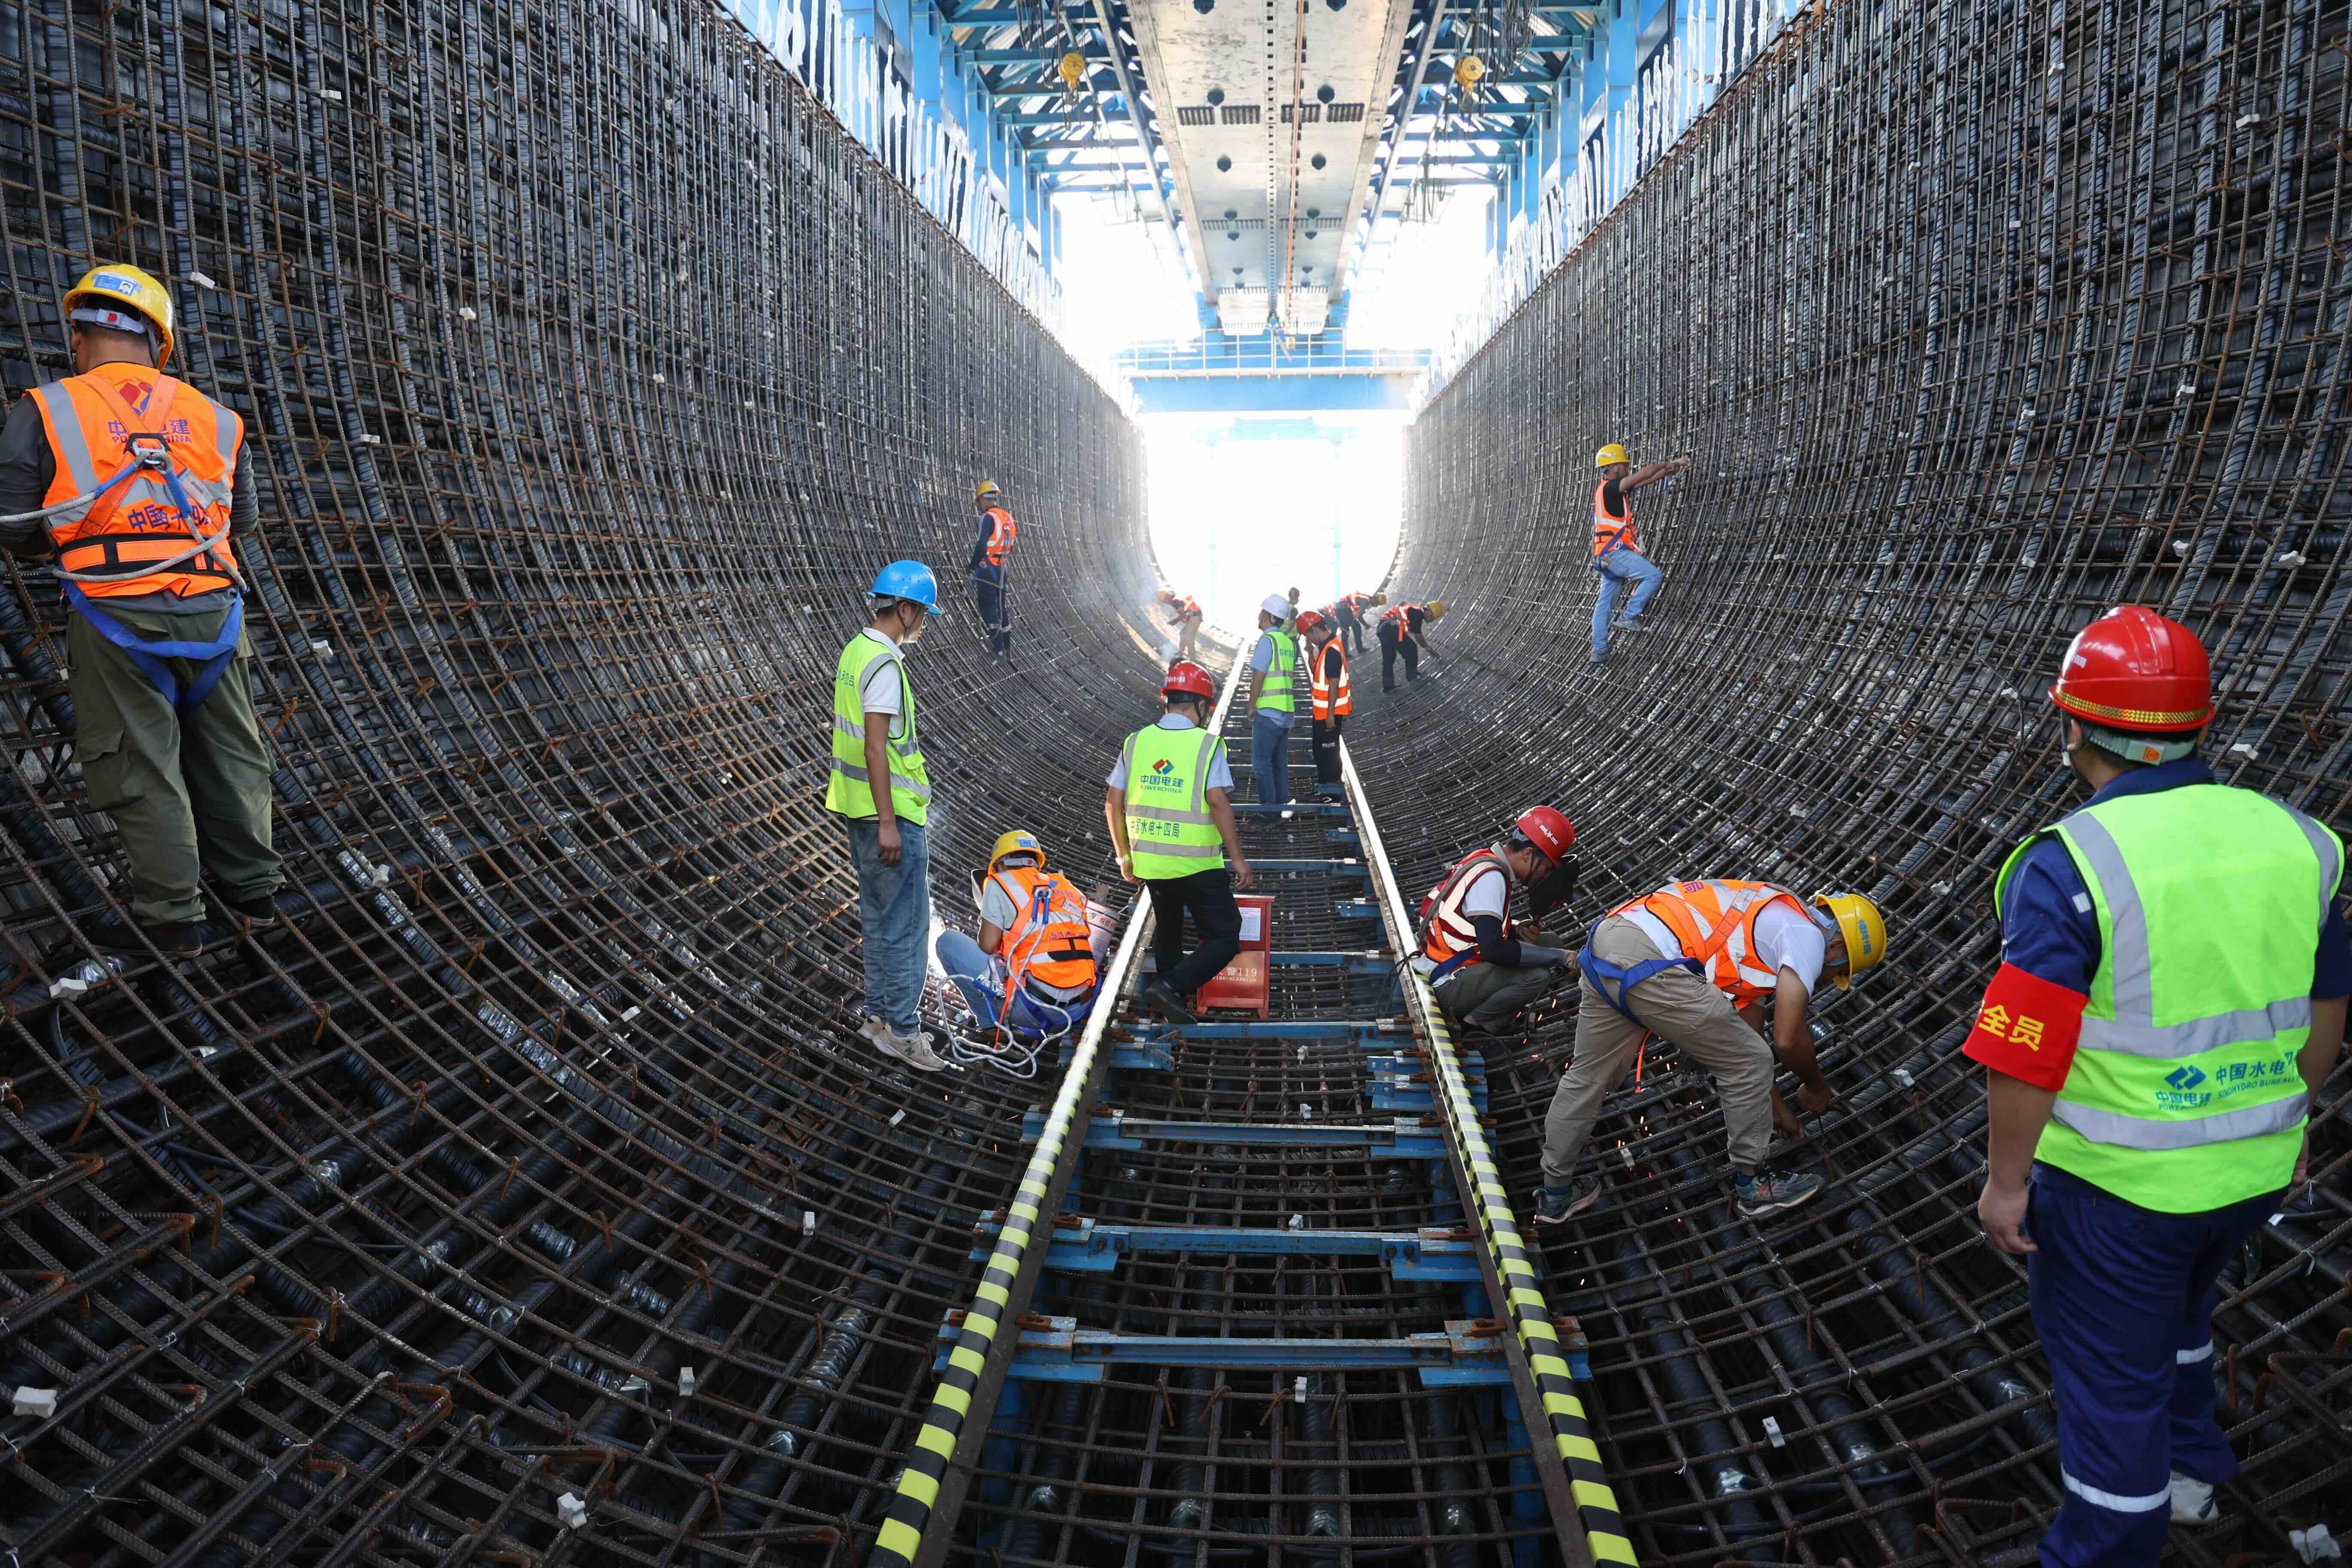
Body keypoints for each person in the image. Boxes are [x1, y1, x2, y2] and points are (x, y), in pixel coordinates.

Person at [1964, 605, 2346, 1563]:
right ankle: (2190, 1475)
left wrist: (2006, 1182)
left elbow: (2025, 1046)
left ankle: (2110, 1538)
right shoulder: (2299, 839)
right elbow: (2325, 1005)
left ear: (2072, 725)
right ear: (2201, 724)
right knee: (2180, 1321)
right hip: (2249, 1173)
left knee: (2109, 1378)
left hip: (2118, 1192)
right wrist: (2289, 1119)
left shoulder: (2072, 863)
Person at [0, 263, 281, 954]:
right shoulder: (216, 417)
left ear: (79, 335)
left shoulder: (45, 408)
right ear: (160, 342)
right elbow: (241, 521)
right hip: (215, 611)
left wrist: (84, 539)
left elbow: (14, 522)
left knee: (138, 765)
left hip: (115, 613)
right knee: (234, 752)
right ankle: (254, 891)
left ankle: (174, 917)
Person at [1535, 879, 1886, 1223]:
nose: (1828, 980)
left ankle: (1556, 1194)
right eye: (1838, 972)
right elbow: (1787, 1040)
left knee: (1587, 1079)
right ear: (1836, 947)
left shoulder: (1767, 926)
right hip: (1648, 960)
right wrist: (1816, 1087)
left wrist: (1777, 1110)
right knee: (1751, 1061)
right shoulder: (1806, 937)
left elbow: (1745, 1041)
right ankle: (1755, 1188)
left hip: (1611, 941)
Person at [825, 559, 948, 1072]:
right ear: (904, 609)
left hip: (859, 811)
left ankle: (877, 1018)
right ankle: (903, 1031)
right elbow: (876, 747)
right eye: (921, 614)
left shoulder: (856, 651)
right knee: (907, 928)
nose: (922, 624)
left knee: (879, 922)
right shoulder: (884, 666)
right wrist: (890, 823)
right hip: (888, 817)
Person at [1105, 660, 1255, 1025]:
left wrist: (1124, 857)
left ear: (1168, 699)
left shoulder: (1136, 742)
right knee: (1225, 937)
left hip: (1152, 864)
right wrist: (1237, 858)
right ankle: (1170, 987)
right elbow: (1217, 801)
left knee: (1169, 932)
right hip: (1196, 864)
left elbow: (1112, 801)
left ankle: (1170, 1005)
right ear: (1202, 705)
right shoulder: (1207, 745)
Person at [1414, 807, 1579, 1036]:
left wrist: (1515, 930)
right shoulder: (1491, 878)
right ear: (1528, 854)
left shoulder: (1485, 859)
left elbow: (1474, 925)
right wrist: (1562, 957)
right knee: (1537, 977)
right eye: (1547, 868)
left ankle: (1492, 1011)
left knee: (1551, 942)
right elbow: (1493, 950)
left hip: (1451, 963)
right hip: (1447, 983)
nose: (1545, 875)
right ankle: (1472, 1026)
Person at [937, 829, 1103, 1044]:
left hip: (1038, 1009)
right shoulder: (1066, 886)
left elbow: (988, 945)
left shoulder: (999, 882)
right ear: (1036, 861)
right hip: (1082, 1004)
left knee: (947, 942)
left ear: (999, 865)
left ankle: (990, 1025)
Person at [1588, 443, 1688, 665]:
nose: (1628, 468)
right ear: (1614, 467)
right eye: (1625, 465)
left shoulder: (1609, 491)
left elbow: (1647, 479)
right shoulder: (1611, 488)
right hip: (1616, 553)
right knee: (1653, 576)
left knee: (1604, 605)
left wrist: (1671, 468)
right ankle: (1630, 616)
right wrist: (1667, 463)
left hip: (1605, 556)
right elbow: (1644, 474)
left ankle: (1599, 651)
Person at [1246, 593, 1299, 808]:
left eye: (1262, 612)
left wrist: (1252, 706)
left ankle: (1269, 812)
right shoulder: (1287, 642)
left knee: (1262, 763)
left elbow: (1259, 677)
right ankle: (1280, 806)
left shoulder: (1267, 641)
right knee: (1279, 763)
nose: (1259, 616)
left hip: (1268, 711)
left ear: (1267, 616)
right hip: (1286, 713)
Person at [1298, 609, 1349, 794]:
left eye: (1308, 636)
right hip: (1322, 713)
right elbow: (1318, 674)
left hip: (1329, 713)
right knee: (1321, 752)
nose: (1310, 640)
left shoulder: (1332, 650)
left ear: (1314, 630)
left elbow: (1334, 683)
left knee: (1329, 755)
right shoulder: (1326, 648)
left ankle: (1332, 794)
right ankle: (1327, 790)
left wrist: (1330, 716)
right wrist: (1311, 653)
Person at [968, 479, 1017, 658]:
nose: (979, 507)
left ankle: (998, 651)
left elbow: (982, 546)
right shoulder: (1007, 517)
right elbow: (1010, 546)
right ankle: (1007, 649)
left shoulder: (988, 517)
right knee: (1001, 608)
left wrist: (972, 566)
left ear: (982, 498)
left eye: (979, 502)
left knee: (988, 609)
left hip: (988, 571)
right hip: (1003, 569)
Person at [1377, 599, 1444, 691]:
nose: (1432, 621)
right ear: (1430, 612)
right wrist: (1428, 648)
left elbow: (1409, 627)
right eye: (1433, 618)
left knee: (1389, 658)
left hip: (1382, 629)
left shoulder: (1413, 610)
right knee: (1411, 649)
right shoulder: (1418, 613)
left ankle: (1388, 686)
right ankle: (1413, 676)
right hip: (1390, 627)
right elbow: (1418, 637)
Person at [1158, 588, 1203, 662]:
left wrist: (1175, 621)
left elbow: (1183, 615)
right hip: (1195, 615)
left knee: (1188, 637)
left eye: (1165, 601)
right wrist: (1182, 619)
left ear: (1167, 598)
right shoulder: (1177, 598)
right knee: (1184, 634)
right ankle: (1180, 654)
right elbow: (1185, 613)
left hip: (1195, 616)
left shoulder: (1176, 601)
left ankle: (1192, 659)